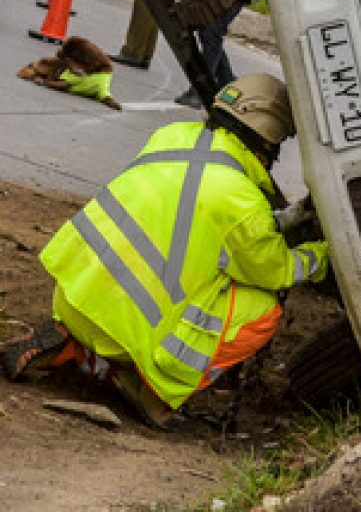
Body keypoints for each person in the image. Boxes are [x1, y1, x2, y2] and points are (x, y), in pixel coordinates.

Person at [2, 73, 329, 429]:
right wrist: (321, 256)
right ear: (268, 137)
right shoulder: (241, 201)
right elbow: (274, 269)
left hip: (75, 297)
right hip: (128, 334)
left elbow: (201, 217)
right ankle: (154, 388)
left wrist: (289, 217)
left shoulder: (170, 138)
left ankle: (74, 343)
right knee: (264, 310)